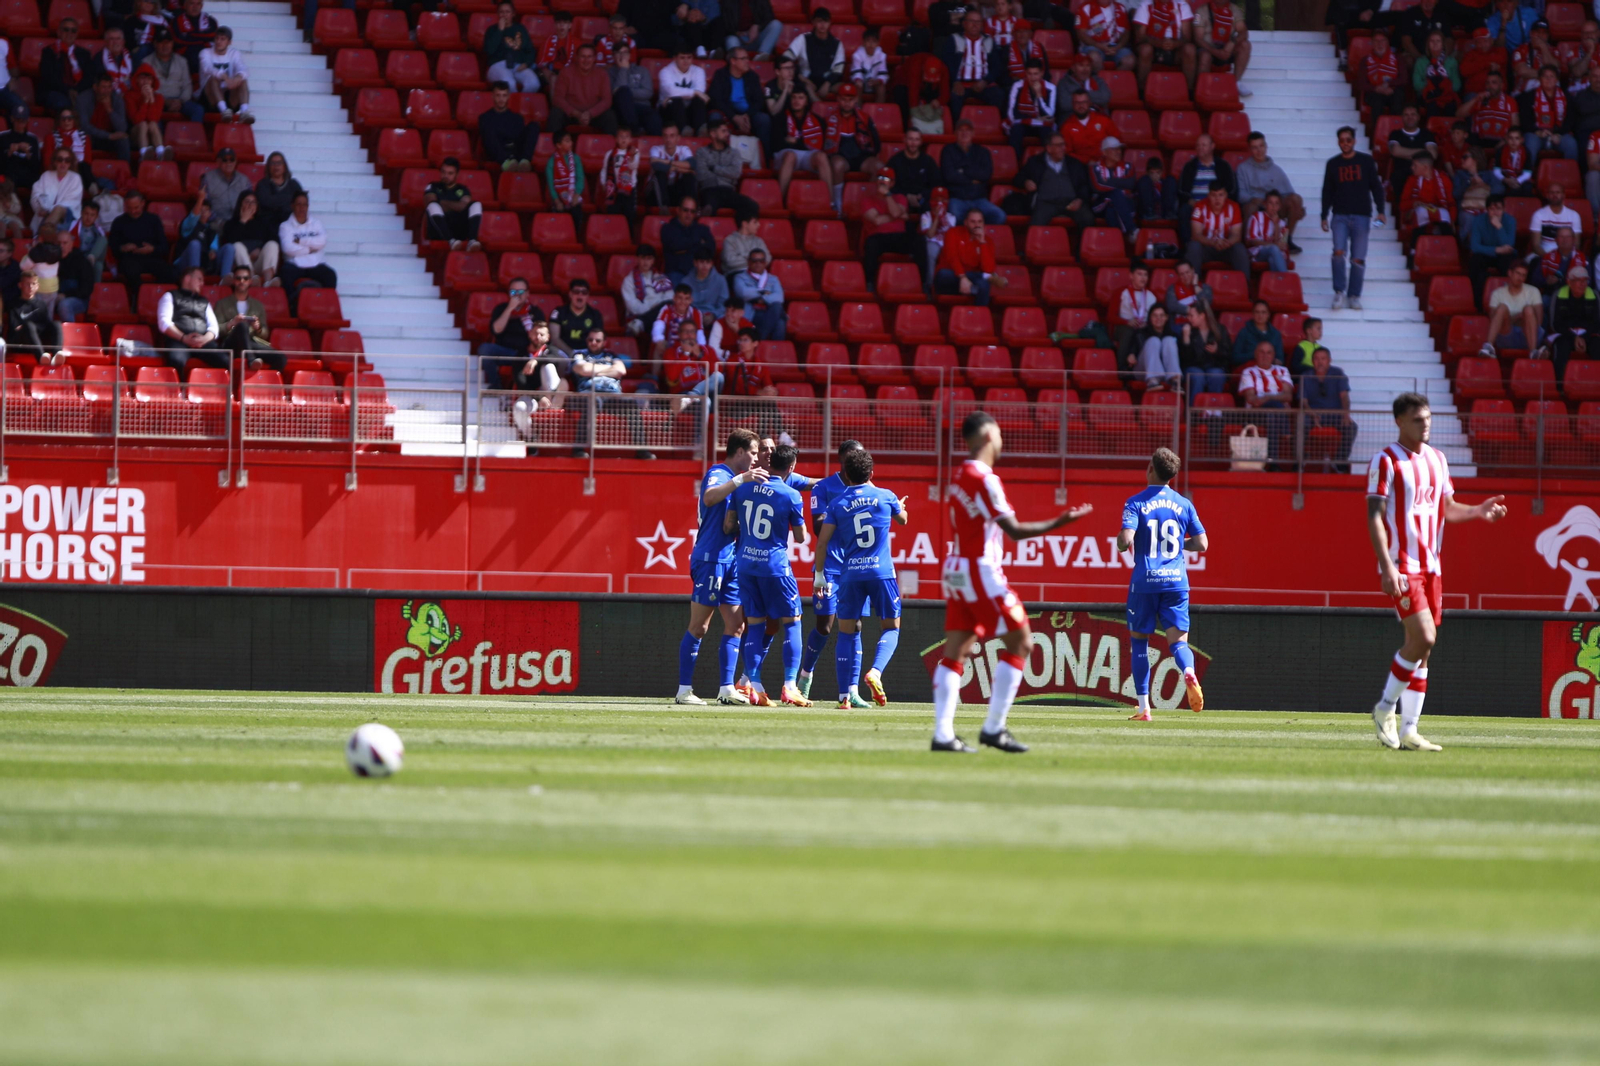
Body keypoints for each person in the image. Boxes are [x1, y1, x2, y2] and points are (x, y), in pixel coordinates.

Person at [932, 411, 1094, 752]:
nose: (1003, 440)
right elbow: (1015, 530)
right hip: (980, 570)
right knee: (1021, 642)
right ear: (989, 434)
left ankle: (943, 735)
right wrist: (1060, 522)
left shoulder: (959, 474)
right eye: (1000, 433)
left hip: (956, 567)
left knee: (956, 650)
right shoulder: (985, 478)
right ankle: (993, 728)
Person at [1366, 392, 1506, 751]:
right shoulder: (1386, 461)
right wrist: (1387, 566)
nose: (1425, 424)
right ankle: (1385, 709)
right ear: (1399, 421)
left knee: (1423, 650)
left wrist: (1477, 511)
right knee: (1424, 637)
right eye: (1417, 419)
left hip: (1432, 567)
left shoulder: (1438, 460)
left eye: (1427, 418)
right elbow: (1375, 517)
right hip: (1404, 566)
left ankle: (1410, 729)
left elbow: (1447, 508)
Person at [814, 447, 908, 709]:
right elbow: (903, 519)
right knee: (890, 627)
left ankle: (845, 696)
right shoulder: (885, 496)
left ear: (845, 473)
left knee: (846, 633)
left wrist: (820, 576)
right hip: (881, 573)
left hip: (850, 574)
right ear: (872, 473)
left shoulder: (838, 503)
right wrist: (898, 506)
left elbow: (822, 543)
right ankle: (875, 672)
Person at [1118, 447, 1207, 720]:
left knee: (1140, 643)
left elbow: (1124, 542)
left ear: (1150, 469)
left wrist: (1125, 539)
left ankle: (1145, 707)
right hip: (1176, 583)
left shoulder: (1135, 502)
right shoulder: (1184, 504)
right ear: (1173, 476)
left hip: (1145, 582)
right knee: (1179, 644)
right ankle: (1189, 672)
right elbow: (1202, 543)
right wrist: (1180, 544)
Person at [676, 427, 763, 706]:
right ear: (739, 451)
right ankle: (683, 691)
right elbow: (710, 497)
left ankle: (727, 688)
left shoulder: (740, 479)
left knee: (736, 624)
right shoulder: (720, 473)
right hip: (711, 558)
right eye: (752, 452)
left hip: (731, 560)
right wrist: (740, 480)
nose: (755, 458)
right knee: (699, 626)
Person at [724, 443, 810, 707]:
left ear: (770, 463)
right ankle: (790, 686)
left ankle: (756, 687)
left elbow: (729, 525)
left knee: (756, 624)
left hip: (746, 564)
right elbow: (800, 536)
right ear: (791, 468)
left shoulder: (743, 487)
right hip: (775, 567)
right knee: (792, 621)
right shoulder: (791, 495)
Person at [1322, 125, 1388, 311]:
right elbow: (1327, 191)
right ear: (1338, 142)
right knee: (1338, 253)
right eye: (1342, 140)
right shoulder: (1332, 164)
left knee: (1358, 258)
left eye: (1348, 140)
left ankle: (1354, 295)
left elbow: (1376, 187)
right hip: (1340, 215)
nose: (1345, 143)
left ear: (1354, 141)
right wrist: (1323, 215)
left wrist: (1381, 210)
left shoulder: (1366, 161)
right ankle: (1339, 292)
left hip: (1361, 216)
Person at [571, 326, 654, 460]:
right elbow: (583, 369)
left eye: (598, 340)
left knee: (632, 406)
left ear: (604, 342)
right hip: (590, 392)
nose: (593, 343)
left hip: (612, 394)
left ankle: (642, 450)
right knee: (591, 403)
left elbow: (621, 371)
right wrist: (609, 368)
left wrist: (593, 370)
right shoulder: (579, 354)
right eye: (591, 340)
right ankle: (578, 449)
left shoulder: (612, 355)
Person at [1236, 132, 1304, 252]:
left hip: (1274, 206)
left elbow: (1290, 194)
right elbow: (1240, 195)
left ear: (1266, 146)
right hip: (1256, 205)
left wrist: (1298, 208)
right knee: (1249, 207)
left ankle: (1286, 240)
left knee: (1296, 200)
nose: (1259, 150)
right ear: (1249, 149)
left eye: (1261, 146)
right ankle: (1247, 244)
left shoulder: (1276, 170)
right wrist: (1256, 199)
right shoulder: (1243, 168)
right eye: (1254, 147)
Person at [212, 263, 283, 371]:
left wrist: (258, 328)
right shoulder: (222, 304)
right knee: (242, 326)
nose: (242, 281)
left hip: (251, 342)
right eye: (238, 278)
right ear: (234, 281)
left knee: (281, 358)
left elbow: (265, 333)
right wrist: (232, 323)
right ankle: (251, 360)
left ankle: (264, 383)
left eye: (245, 278)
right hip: (231, 344)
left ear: (250, 281)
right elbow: (216, 330)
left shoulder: (258, 305)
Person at [108, 190, 172, 304]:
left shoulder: (153, 220)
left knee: (169, 272)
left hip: (151, 258)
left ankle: (161, 301)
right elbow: (113, 247)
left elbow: (164, 247)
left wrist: (152, 249)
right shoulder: (119, 222)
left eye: (136, 207)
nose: (133, 211)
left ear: (143, 203)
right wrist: (123, 248)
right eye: (129, 208)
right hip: (129, 259)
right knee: (131, 272)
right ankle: (140, 302)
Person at [823, 83, 882, 207]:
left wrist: (872, 153)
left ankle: (869, 205)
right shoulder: (830, 118)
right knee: (837, 164)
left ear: (856, 100)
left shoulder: (864, 118)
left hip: (861, 156)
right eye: (844, 99)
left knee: (878, 166)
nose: (847, 103)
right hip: (842, 157)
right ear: (838, 99)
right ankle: (837, 205)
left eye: (850, 100)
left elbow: (876, 141)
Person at [159, 265, 227, 371]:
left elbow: (214, 327)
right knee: (176, 360)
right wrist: (183, 338)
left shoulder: (204, 301)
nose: (202, 283)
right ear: (187, 278)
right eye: (199, 279)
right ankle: (179, 387)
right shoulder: (170, 296)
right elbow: (164, 322)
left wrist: (204, 339)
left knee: (225, 360)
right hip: (178, 340)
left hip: (203, 342)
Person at [479, 277, 545, 386]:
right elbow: (496, 330)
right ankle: (496, 386)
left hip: (526, 353)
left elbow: (542, 337)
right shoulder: (501, 309)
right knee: (485, 349)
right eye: (513, 291)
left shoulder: (535, 312)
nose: (517, 295)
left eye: (521, 292)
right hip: (505, 352)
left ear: (527, 293)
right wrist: (510, 309)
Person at [1300, 345, 1356, 471]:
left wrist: (1346, 414)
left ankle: (1339, 461)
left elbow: (1344, 397)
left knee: (1351, 427)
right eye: (1316, 359)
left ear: (1329, 360)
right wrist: (1312, 415)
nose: (1320, 362)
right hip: (1312, 415)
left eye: (1323, 359)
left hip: (1334, 414)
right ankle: (1300, 461)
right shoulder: (1306, 376)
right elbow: (1303, 402)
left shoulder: (1338, 373)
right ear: (1312, 361)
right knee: (1301, 423)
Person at [277, 192, 335, 312]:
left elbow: (322, 242)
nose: (302, 208)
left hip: (316, 264)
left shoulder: (316, 223)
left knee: (330, 275)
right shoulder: (285, 226)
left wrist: (301, 241)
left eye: (304, 205)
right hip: (294, 264)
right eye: (298, 204)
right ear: (292, 205)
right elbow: (288, 248)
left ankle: (325, 307)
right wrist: (310, 249)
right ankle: (292, 309)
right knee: (285, 274)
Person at [941, 120, 1007, 225]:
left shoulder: (982, 151)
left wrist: (963, 171)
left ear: (973, 133)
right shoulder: (948, 150)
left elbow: (986, 175)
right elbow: (949, 176)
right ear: (955, 133)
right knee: (953, 218)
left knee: (999, 216)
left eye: (967, 130)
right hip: (958, 198)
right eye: (961, 130)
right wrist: (972, 180)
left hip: (979, 199)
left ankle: (979, 237)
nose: (964, 133)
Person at [1238, 339, 1293, 456]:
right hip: (1255, 413)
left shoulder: (1283, 371)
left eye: (1269, 352)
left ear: (1273, 355)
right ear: (1255, 354)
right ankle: (1285, 431)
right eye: (1261, 352)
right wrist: (1277, 398)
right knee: (1273, 411)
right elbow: (1251, 399)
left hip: (1273, 415)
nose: (1265, 356)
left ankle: (1273, 460)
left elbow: (1288, 396)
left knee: (1271, 415)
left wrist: (1267, 397)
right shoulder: (1248, 372)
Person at [1545, 265, 1600, 381]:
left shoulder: (1594, 295)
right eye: (1579, 280)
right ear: (1569, 282)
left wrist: (1584, 337)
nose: (1583, 284)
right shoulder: (1558, 294)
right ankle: (1559, 386)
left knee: (1597, 346)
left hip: (1588, 334)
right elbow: (1555, 324)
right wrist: (1574, 337)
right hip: (1565, 333)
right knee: (1561, 347)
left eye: (1585, 280)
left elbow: (1596, 323)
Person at [772, 90, 829, 202]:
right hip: (785, 155)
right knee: (790, 155)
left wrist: (796, 142)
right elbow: (775, 145)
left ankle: (829, 202)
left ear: (807, 101)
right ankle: (780, 201)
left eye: (800, 98)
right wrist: (797, 143)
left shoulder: (818, 120)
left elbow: (820, 145)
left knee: (821, 156)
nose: (796, 101)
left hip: (807, 155)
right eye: (794, 97)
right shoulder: (780, 118)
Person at [692, 119, 754, 216]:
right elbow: (702, 175)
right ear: (713, 134)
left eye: (727, 131)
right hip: (709, 190)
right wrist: (724, 174)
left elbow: (736, 173)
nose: (727, 134)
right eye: (723, 131)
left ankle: (741, 229)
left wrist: (714, 168)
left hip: (728, 190)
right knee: (710, 206)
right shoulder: (702, 152)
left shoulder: (734, 153)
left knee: (751, 206)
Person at [1133, 0, 1195, 95]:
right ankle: (1141, 92)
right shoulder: (1145, 5)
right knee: (1145, 50)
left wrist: (1175, 44)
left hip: (1175, 47)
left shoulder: (1182, 5)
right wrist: (1159, 43)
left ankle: (1189, 92)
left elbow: (1187, 37)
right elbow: (1140, 37)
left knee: (1190, 49)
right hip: (1153, 46)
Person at [709, 48, 769, 146]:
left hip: (748, 114)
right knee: (715, 117)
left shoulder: (752, 76)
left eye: (747, 58)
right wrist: (733, 116)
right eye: (743, 59)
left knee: (763, 119)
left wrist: (747, 116)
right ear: (733, 61)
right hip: (727, 112)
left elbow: (759, 101)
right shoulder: (720, 75)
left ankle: (764, 158)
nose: (747, 61)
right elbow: (716, 100)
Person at [1186, 180, 1249, 274]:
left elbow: (1236, 235)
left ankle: (1244, 285)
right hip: (1206, 248)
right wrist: (1213, 242)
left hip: (1226, 248)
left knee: (1239, 248)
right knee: (1193, 246)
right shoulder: (1199, 206)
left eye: (1221, 195)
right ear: (1208, 195)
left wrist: (1225, 243)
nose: (1217, 199)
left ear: (1226, 195)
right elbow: (1196, 235)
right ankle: (1193, 285)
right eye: (1213, 195)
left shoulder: (1234, 207)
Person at [551, 45, 617, 135]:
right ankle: (552, 147)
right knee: (555, 114)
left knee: (610, 116)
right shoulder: (566, 72)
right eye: (583, 56)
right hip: (572, 115)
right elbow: (558, 99)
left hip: (594, 115)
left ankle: (610, 147)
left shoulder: (602, 74)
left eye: (589, 57)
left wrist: (590, 113)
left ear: (594, 58)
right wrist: (576, 114)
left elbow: (607, 100)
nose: (586, 60)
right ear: (577, 57)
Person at [1482, 259, 1543, 354]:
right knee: (1502, 308)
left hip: (1528, 335)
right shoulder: (1497, 293)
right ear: (1510, 273)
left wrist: (1523, 318)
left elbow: (1538, 321)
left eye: (1523, 275)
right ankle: (1488, 347)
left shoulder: (1534, 291)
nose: (1520, 278)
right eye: (1518, 273)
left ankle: (1533, 352)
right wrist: (1516, 318)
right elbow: (1494, 320)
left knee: (1528, 309)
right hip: (1506, 335)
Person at [1467, 194, 1517, 307]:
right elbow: (1475, 246)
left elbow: (1509, 245)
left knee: (1510, 263)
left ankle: (1510, 302)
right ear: (1487, 210)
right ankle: (1478, 304)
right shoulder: (1478, 220)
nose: (1495, 212)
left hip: (1504, 255)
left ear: (1504, 209)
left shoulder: (1510, 220)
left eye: (1498, 209)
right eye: (1491, 209)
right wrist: (1497, 250)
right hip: (1486, 254)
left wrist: (1499, 227)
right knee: (1475, 261)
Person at [1192, 0, 1251, 96]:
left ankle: (1236, 83)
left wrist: (1232, 42)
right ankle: (1202, 89)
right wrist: (1216, 52)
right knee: (1204, 56)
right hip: (1208, 48)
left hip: (1227, 48)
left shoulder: (1234, 10)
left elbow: (1243, 32)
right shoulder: (1202, 10)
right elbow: (1198, 39)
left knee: (1245, 45)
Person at [479, 83, 540, 173]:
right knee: (487, 126)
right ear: (492, 96)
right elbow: (489, 142)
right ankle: (505, 162)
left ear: (508, 96)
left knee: (534, 126)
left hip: (515, 152)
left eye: (504, 95)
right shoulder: (485, 117)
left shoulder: (517, 118)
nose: (501, 99)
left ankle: (525, 160)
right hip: (498, 152)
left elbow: (519, 139)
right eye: (498, 95)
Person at [1519, 63, 1576, 160]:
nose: (1548, 79)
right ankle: (1528, 174)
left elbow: (1570, 120)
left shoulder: (1567, 96)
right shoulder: (1529, 97)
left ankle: (1568, 174)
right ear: (1539, 79)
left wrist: (1559, 133)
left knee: (1570, 144)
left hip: (1559, 135)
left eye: (1552, 76)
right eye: (1545, 76)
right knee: (1530, 143)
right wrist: (1537, 132)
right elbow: (1525, 120)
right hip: (1536, 134)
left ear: (1556, 80)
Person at [787, 8, 847, 99]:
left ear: (830, 23)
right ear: (813, 22)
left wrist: (827, 84)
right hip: (806, 81)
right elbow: (785, 59)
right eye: (819, 21)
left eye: (826, 21)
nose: (822, 25)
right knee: (804, 87)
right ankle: (818, 109)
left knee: (847, 89)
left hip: (829, 82)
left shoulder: (837, 43)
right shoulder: (803, 39)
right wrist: (803, 79)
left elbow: (838, 70)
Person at [148, 30, 204, 124]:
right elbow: (148, 88)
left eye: (168, 42)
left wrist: (180, 101)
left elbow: (187, 85)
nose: (165, 46)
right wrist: (165, 101)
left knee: (198, 109)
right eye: (161, 42)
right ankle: (159, 139)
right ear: (155, 44)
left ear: (172, 43)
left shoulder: (182, 61)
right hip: (158, 101)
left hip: (179, 101)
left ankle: (194, 137)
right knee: (152, 111)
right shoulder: (147, 62)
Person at [39, 18, 94, 113]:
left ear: (77, 34)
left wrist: (76, 90)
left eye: (73, 30)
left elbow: (89, 77)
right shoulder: (49, 52)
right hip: (56, 91)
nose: (70, 33)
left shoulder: (84, 54)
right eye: (66, 29)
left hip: (79, 92)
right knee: (64, 104)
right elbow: (48, 77)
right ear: (59, 32)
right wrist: (68, 91)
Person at [197, 25, 250, 121]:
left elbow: (243, 69)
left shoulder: (234, 53)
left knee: (242, 80)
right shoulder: (205, 52)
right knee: (213, 78)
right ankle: (224, 110)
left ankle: (244, 112)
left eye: (222, 39)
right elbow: (207, 68)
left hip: (228, 95)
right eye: (217, 38)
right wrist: (224, 76)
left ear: (229, 42)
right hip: (209, 98)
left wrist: (237, 78)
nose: (218, 42)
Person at [1006, 59, 1057, 156]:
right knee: (1016, 130)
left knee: (1047, 132)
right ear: (1025, 73)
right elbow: (1012, 114)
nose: (1033, 78)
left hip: (1040, 126)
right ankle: (1015, 164)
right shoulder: (1017, 86)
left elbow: (1050, 115)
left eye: (1036, 74)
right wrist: (1037, 119)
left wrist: (1039, 95)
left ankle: (1047, 165)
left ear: (1041, 73)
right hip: (1023, 125)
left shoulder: (1051, 88)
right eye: (1029, 74)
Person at [485, 3, 539, 93]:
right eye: (501, 12)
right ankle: (512, 106)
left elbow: (530, 49)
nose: (504, 15)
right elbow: (489, 50)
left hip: (518, 65)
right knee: (509, 83)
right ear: (498, 14)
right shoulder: (492, 29)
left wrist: (527, 64)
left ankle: (521, 105)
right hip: (498, 66)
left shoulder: (520, 28)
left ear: (513, 14)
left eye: (507, 12)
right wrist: (500, 31)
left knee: (533, 83)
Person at [731, 248, 784, 340]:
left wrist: (761, 299)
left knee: (777, 308)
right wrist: (764, 292)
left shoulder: (773, 279)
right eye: (754, 261)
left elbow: (780, 297)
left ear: (765, 262)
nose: (758, 263)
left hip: (768, 311)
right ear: (748, 262)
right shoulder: (740, 277)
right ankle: (761, 342)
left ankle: (759, 341)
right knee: (780, 322)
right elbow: (743, 293)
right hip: (751, 312)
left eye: (761, 261)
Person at [622, 245, 674, 337]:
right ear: (637, 259)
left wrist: (658, 309)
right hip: (640, 314)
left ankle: (641, 323)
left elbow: (670, 298)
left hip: (661, 316)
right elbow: (633, 306)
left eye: (649, 259)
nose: (645, 262)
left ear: (653, 261)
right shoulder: (629, 280)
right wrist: (653, 309)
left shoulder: (661, 278)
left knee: (670, 304)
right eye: (643, 258)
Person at [8, 272, 61, 362]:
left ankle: (57, 355)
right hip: (21, 344)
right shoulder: (14, 305)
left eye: (33, 284)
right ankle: (41, 358)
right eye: (27, 284)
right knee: (29, 325)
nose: (30, 287)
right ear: (20, 285)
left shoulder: (41, 304)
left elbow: (47, 325)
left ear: (37, 286)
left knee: (56, 324)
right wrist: (30, 327)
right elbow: (16, 328)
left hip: (39, 340)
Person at [608, 45, 660, 137]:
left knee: (653, 117)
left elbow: (648, 93)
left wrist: (628, 93)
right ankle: (634, 131)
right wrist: (623, 69)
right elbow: (616, 93)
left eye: (625, 53)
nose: (622, 56)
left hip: (641, 106)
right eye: (619, 53)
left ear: (629, 55)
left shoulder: (642, 70)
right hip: (621, 109)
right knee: (623, 92)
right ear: (613, 56)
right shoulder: (609, 73)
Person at [1179, 302, 1229, 395]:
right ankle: (1194, 409)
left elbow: (1228, 353)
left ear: (1202, 316)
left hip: (1214, 366)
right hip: (1193, 367)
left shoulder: (1220, 329)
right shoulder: (1188, 330)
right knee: (1198, 376)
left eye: (1191, 315)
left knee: (1216, 375)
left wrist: (1217, 351)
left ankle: (1213, 408)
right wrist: (1186, 339)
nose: (1188, 318)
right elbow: (1184, 359)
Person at [660, 196, 714, 282]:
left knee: (718, 279)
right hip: (677, 273)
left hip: (700, 273)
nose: (689, 214)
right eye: (686, 210)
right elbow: (675, 246)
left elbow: (711, 249)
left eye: (692, 211)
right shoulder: (667, 229)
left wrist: (685, 248)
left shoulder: (703, 229)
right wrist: (698, 242)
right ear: (678, 210)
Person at [31, 150, 83, 236]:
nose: (63, 163)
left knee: (58, 209)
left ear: (70, 163)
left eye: (67, 160)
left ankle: (40, 236)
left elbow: (72, 202)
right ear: (55, 162)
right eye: (60, 159)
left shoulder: (75, 178)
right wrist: (39, 209)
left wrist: (50, 211)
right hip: (44, 214)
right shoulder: (46, 175)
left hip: (67, 216)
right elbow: (36, 195)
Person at [1178, 133, 1235, 211]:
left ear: (1212, 146)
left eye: (1203, 145)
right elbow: (1182, 191)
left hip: (1218, 206)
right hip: (1195, 206)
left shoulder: (1223, 166)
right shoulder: (1189, 166)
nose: (1200, 148)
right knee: (1185, 210)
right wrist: (1192, 202)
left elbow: (1231, 189)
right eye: (1198, 145)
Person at [549, 277, 606, 355]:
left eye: (584, 292)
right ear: (570, 294)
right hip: (563, 352)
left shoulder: (595, 314)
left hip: (587, 352)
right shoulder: (559, 312)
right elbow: (554, 338)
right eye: (576, 292)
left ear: (588, 295)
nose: (580, 295)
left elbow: (598, 338)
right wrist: (571, 353)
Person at [657, 49, 708, 134]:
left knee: (698, 100)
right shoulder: (665, 71)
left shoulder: (698, 71)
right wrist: (695, 92)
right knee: (675, 100)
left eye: (689, 57)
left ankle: (701, 131)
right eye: (682, 58)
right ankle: (684, 130)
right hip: (669, 110)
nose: (686, 61)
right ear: (675, 58)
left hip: (690, 110)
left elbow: (700, 90)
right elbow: (671, 91)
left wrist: (697, 93)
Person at [80, 76, 130, 163]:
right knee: (84, 137)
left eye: (109, 87)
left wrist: (110, 110)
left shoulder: (117, 99)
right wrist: (108, 135)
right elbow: (84, 126)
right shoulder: (84, 98)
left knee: (123, 139)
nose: (107, 91)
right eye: (103, 87)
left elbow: (122, 128)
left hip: (110, 138)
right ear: (95, 87)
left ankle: (125, 170)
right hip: (92, 137)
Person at [1413, 30, 1461, 119]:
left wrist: (1443, 88)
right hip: (1427, 95)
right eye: (1432, 41)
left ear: (1443, 44)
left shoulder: (1451, 62)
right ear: (1428, 44)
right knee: (1432, 106)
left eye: (1438, 41)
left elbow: (1457, 84)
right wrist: (1431, 87)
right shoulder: (1421, 62)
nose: (1435, 44)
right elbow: (1417, 84)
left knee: (1450, 106)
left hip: (1447, 95)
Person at [1076, 0, 1136, 70]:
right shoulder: (1085, 7)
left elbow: (1126, 32)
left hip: (1115, 47)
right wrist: (1099, 45)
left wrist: (1118, 46)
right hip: (1093, 47)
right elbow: (1081, 34)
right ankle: (1099, 81)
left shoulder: (1121, 8)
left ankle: (1113, 80)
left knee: (1130, 61)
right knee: (1094, 58)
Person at [545, 130, 585, 232]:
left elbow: (580, 178)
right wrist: (557, 200)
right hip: (559, 197)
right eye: (567, 141)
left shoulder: (576, 159)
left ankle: (575, 237)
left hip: (573, 196)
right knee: (559, 212)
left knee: (576, 212)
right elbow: (551, 184)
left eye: (571, 140)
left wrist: (576, 195)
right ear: (558, 145)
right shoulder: (551, 162)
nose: (571, 143)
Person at [124, 64, 166, 160]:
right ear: (137, 80)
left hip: (152, 135)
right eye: (142, 78)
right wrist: (145, 101)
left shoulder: (158, 98)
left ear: (152, 81)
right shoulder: (129, 96)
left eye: (149, 79)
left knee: (152, 124)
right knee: (143, 124)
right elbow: (136, 120)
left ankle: (161, 152)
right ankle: (144, 154)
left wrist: (151, 100)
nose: (145, 82)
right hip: (135, 135)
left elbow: (154, 118)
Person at [200, 147, 251, 225]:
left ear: (236, 161)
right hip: (216, 223)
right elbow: (204, 206)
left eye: (232, 159)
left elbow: (250, 203)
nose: (229, 163)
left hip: (240, 222)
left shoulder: (244, 180)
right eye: (225, 160)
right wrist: (218, 221)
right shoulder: (208, 178)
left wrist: (243, 219)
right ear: (218, 162)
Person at [649, 124, 697, 208]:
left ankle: (691, 208)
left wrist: (667, 162)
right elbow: (656, 166)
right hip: (654, 192)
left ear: (678, 138)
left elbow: (692, 165)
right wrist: (681, 168)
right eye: (665, 136)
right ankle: (663, 208)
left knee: (689, 176)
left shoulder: (684, 149)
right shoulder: (656, 149)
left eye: (672, 136)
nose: (668, 139)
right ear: (662, 138)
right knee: (660, 174)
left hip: (675, 190)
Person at [1529, 182, 1583, 254]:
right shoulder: (1538, 215)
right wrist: (1549, 259)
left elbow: (1576, 244)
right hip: (1544, 253)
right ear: (1547, 195)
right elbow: (1536, 245)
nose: (1555, 195)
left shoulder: (1574, 215)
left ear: (1563, 195)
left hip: (1567, 254)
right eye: (1552, 193)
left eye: (1558, 192)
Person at [1243, 190, 1289, 273]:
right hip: (1257, 254)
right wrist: (1272, 245)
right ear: (1265, 204)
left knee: (1272, 259)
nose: (1273, 206)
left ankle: (1276, 284)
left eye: (1276, 203)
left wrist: (1276, 226)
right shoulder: (1256, 217)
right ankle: (1286, 280)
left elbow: (1282, 247)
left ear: (1280, 206)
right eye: (1270, 203)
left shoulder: (1283, 224)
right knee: (1273, 248)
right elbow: (1251, 241)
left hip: (1274, 254)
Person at [1358, 32, 1403, 116]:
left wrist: (1389, 84)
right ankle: (1377, 128)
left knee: (1397, 99)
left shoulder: (1397, 58)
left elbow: (1403, 79)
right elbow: (1361, 84)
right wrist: (1376, 88)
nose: (1380, 44)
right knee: (1377, 101)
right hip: (1374, 92)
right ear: (1372, 43)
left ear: (1387, 43)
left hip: (1392, 90)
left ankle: (1395, 127)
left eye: (1383, 41)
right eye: (1376, 41)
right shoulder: (1365, 60)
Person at [255, 151, 303, 231]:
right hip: (268, 228)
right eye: (273, 163)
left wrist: (275, 200)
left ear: (284, 166)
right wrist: (288, 199)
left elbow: (301, 203)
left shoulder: (294, 185)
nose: (276, 166)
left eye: (279, 163)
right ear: (268, 167)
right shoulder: (262, 185)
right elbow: (265, 202)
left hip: (292, 227)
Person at [175, 196, 222, 273]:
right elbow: (193, 217)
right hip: (184, 263)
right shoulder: (189, 225)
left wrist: (212, 252)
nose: (203, 212)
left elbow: (214, 248)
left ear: (210, 213)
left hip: (204, 264)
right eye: (200, 209)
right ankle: (194, 275)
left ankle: (225, 279)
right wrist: (200, 199)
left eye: (206, 210)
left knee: (229, 248)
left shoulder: (212, 232)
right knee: (195, 244)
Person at [1537, 225, 1586, 296]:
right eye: (1561, 237)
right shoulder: (1547, 257)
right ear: (1556, 240)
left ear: (1574, 240)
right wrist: (1546, 281)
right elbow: (1535, 279)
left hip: (1576, 295)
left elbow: (1589, 282)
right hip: (1551, 294)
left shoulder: (1583, 258)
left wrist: (1561, 282)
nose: (1565, 240)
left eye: (1568, 237)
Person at [1232, 299, 1283, 365]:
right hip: (1249, 369)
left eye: (1263, 312)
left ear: (1268, 315)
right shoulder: (1244, 332)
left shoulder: (1276, 334)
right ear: (1253, 314)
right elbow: (1235, 357)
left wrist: (1269, 359)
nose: (1260, 315)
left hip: (1269, 371)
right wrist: (1254, 355)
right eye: (1257, 312)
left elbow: (1280, 359)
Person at [721, 207, 768, 278]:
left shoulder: (759, 241)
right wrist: (755, 260)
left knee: (773, 280)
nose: (759, 225)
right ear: (745, 224)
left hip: (757, 275)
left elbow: (767, 258)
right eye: (755, 222)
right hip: (736, 275)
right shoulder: (729, 240)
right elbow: (730, 262)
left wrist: (743, 257)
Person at [686, 248, 729, 318]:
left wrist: (713, 315)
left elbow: (724, 304)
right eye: (702, 262)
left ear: (712, 263)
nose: (705, 265)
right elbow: (684, 305)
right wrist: (697, 315)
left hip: (715, 316)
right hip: (693, 316)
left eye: (708, 262)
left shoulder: (721, 280)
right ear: (695, 263)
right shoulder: (686, 281)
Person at [849, 28, 889, 103]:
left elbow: (883, 74)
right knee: (858, 85)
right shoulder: (857, 55)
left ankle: (878, 111)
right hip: (862, 82)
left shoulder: (882, 56)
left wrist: (878, 81)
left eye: (874, 41)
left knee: (881, 87)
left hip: (875, 82)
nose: (871, 44)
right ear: (863, 42)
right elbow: (856, 73)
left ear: (878, 43)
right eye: (868, 41)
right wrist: (858, 80)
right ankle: (858, 110)